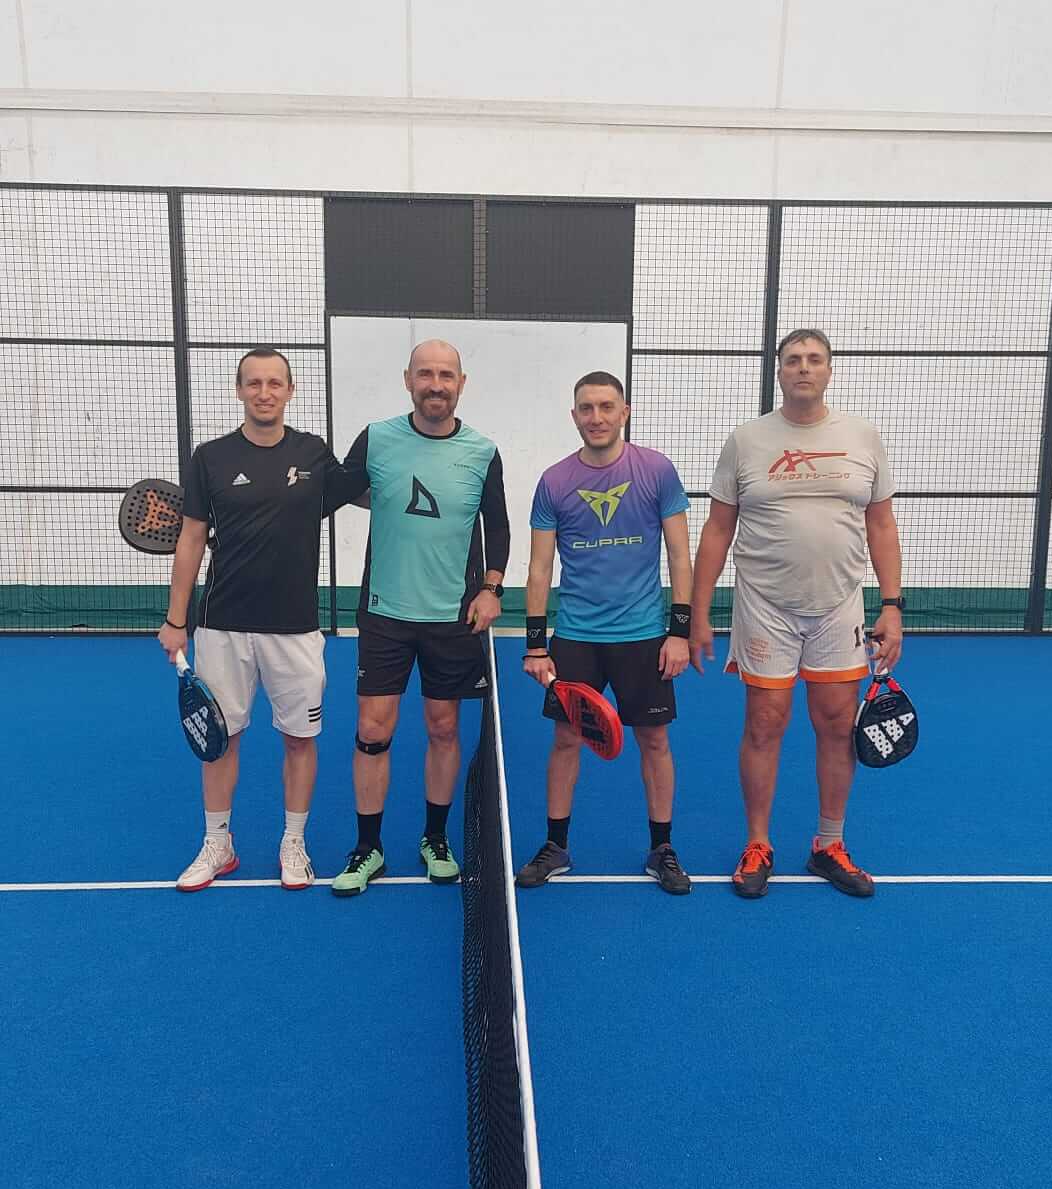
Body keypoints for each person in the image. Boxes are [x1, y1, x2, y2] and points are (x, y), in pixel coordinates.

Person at [689, 327, 904, 899]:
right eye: (792, 360)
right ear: (779, 371)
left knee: (836, 723)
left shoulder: (862, 437)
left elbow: (881, 524)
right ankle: (758, 843)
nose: (803, 367)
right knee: (765, 723)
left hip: (839, 606)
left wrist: (892, 606)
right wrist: (696, 612)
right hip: (765, 607)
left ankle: (829, 844)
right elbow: (717, 529)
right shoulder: (747, 440)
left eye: (814, 359)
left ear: (829, 370)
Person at [159, 346, 361, 892]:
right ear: (239, 390)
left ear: (290, 391)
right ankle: (217, 844)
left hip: (295, 629)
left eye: (275, 383)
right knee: (221, 739)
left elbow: (365, 491)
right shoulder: (210, 458)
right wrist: (176, 620)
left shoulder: (313, 453)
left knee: (299, 738)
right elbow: (192, 538)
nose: (264, 393)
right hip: (222, 625)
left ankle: (293, 842)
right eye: (254, 383)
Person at [330, 340, 510, 895]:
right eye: (426, 374)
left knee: (444, 727)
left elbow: (498, 526)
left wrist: (491, 589)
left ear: (462, 383)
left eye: (446, 375)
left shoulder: (483, 451)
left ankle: (435, 838)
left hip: (453, 618)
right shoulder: (376, 438)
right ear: (408, 379)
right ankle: (368, 848)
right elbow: (327, 495)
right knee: (372, 730)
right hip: (384, 614)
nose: (436, 384)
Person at [515, 370, 694, 895]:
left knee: (654, 740)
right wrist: (535, 645)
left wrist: (678, 632)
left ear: (624, 412)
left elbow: (680, 555)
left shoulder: (656, 470)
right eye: (587, 408)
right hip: (577, 636)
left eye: (606, 407)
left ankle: (662, 848)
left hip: (644, 635)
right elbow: (539, 568)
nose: (596, 417)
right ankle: (556, 846)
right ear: (574, 416)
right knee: (566, 738)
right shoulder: (554, 481)